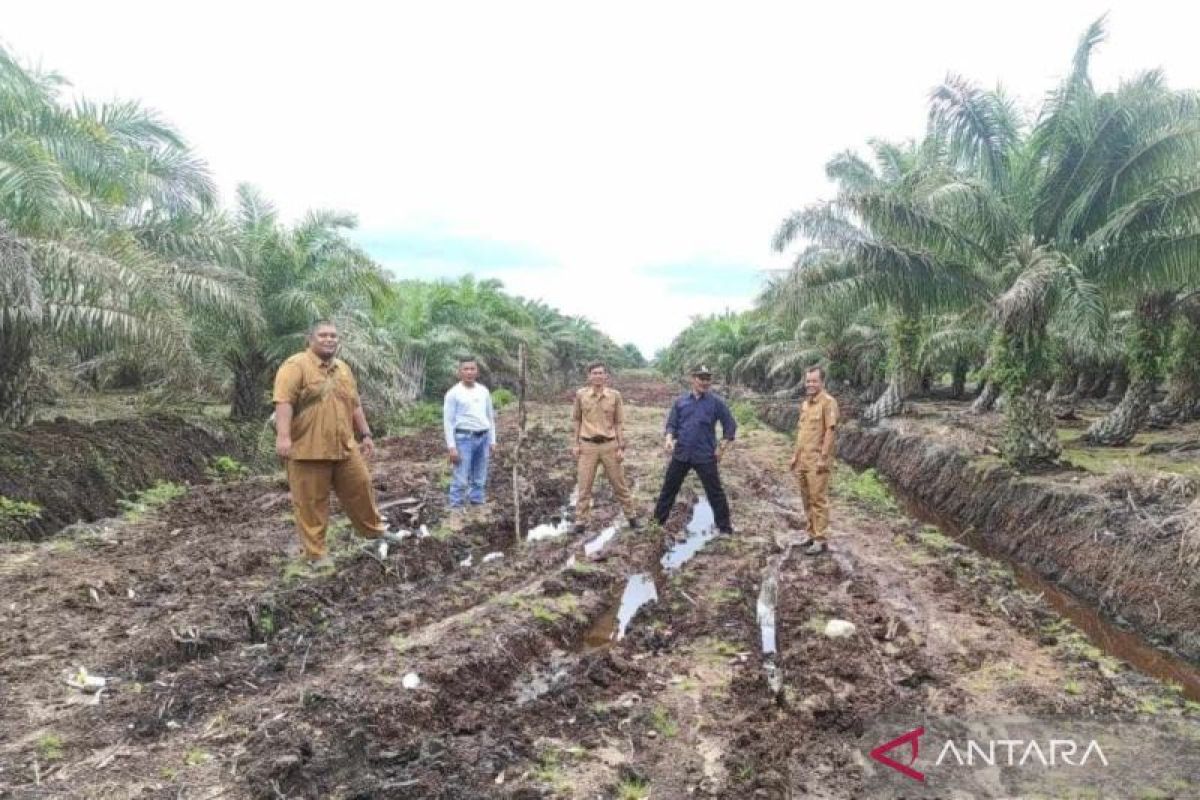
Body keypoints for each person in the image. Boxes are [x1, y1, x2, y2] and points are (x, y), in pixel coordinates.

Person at [273, 320, 400, 569]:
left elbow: (354, 403)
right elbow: (283, 402)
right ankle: (316, 554)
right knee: (311, 503)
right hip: (308, 449)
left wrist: (365, 434)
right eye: (323, 335)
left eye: (333, 335)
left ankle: (374, 532)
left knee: (361, 486)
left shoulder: (343, 368)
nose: (329, 339)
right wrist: (283, 437)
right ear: (311, 338)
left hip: (344, 446)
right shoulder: (295, 366)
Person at [653, 365, 737, 534]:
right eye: (701, 378)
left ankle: (725, 528)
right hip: (682, 453)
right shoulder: (681, 402)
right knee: (669, 488)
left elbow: (730, 425)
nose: (704, 382)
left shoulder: (716, 403)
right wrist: (669, 439)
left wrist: (721, 448)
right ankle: (657, 523)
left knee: (715, 492)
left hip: (705, 455)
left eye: (707, 379)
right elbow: (672, 424)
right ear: (693, 379)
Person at [571, 362, 641, 533]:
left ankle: (632, 518)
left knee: (619, 484)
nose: (598, 376)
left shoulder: (614, 396)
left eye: (601, 373)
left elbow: (618, 422)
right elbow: (577, 420)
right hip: (587, 445)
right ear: (589, 376)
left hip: (609, 445)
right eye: (594, 373)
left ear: (606, 376)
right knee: (584, 486)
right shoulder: (581, 395)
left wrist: (620, 446)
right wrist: (575, 444)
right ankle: (580, 522)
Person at [788, 365, 839, 556]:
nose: (810, 384)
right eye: (808, 381)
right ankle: (811, 534)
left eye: (814, 381)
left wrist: (823, 458)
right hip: (803, 460)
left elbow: (830, 431)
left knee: (818, 499)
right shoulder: (805, 404)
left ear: (822, 382)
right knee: (806, 499)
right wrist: (795, 456)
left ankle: (820, 539)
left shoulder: (828, 403)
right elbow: (802, 433)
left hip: (817, 460)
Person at [442, 357, 496, 509]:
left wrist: (492, 440)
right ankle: (456, 507)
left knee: (480, 475)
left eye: (472, 369)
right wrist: (452, 447)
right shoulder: (453, 393)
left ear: (477, 371)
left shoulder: (483, 391)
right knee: (461, 476)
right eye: (466, 369)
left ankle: (477, 503)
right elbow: (448, 422)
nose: (469, 372)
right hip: (463, 438)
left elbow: (490, 417)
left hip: (483, 437)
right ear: (459, 372)